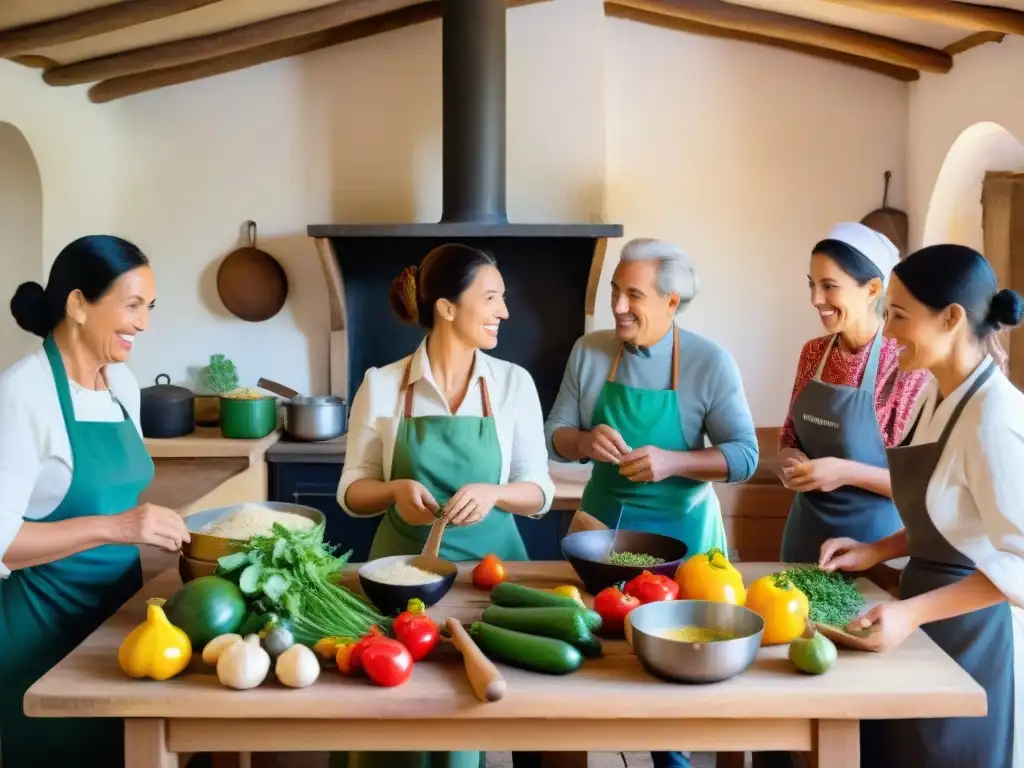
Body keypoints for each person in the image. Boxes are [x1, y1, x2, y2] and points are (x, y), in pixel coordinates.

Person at [334, 243, 555, 768]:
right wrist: (392, 492)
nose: (504, 311)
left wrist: (496, 494)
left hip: (491, 581)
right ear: (447, 307)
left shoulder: (512, 384)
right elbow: (352, 489)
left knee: (466, 711)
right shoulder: (383, 384)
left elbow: (539, 490)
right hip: (399, 583)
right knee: (394, 715)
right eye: (492, 297)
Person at [544, 238, 758, 768]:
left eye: (632, 295)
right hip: (602, 535)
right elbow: (556, 434)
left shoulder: (710, 362)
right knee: (597, 663)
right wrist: (583, 441)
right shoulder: (589, 351)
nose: (617, 306)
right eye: (615, 291)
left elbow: (745, 456)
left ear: (671, 302)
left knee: (679, 674)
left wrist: (674, 461)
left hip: (686, 541)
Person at [820, 243, 1024, 768]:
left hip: (972, 634)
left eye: (900, 316)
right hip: (920, 622)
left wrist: (912, 612)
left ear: (952, 318)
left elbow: (1020, 563)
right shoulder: (939, 394)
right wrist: (875, 550)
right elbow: (950, 513)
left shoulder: (993, 418)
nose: (887, 332)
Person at [0, 235, 191, 768]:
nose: (144, 324)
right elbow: (4, 543)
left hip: (118, 622)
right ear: (79, 304)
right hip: (42, 630)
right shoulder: (21, 395)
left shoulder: (122, 385)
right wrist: (116, 527)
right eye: (132, 306)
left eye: (148, 308)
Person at [778, 222, 930, 564]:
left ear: (873, 289)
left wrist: (844, 472)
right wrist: (790, 460)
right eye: (812, 285)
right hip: (804, 537)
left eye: (829, 286)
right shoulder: (813, 353)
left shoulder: (906, 363)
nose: (816, 299)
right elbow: (790, 435)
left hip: (878, 548)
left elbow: (920, 486)